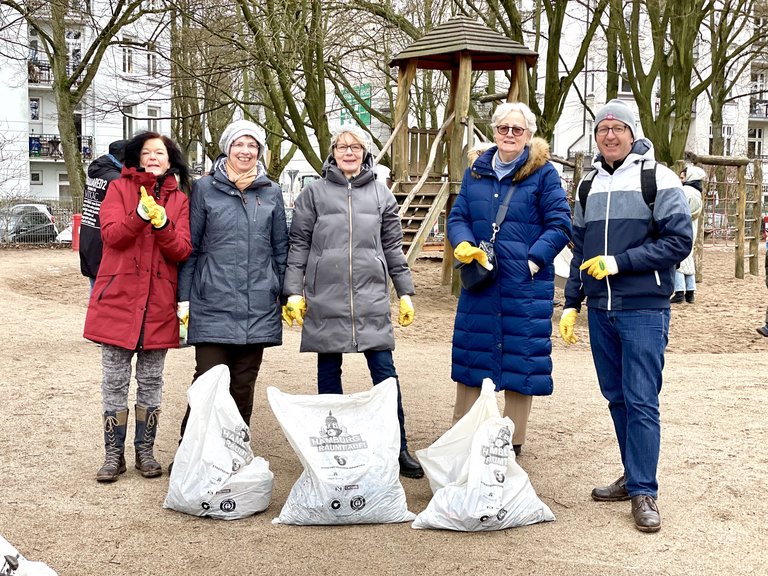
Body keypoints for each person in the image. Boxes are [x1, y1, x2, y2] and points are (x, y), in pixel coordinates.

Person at [559, 99, 692, 533]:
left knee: (641, 400)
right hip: (601, 310)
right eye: (603, 129)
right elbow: (580, 248)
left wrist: (619, 262)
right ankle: (633, 475)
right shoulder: (588, 185)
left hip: (643, 308)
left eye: (618, 128)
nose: (610, 135)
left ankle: (644, 491)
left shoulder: (658, 178)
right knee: (617, 397)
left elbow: (678, 243)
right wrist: (572, 303)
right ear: (596, 136)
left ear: (633, 133)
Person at [281, 123, 423, 479]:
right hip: (325, 296)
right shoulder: (313, 193)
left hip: (370, 296)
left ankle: (398, 446)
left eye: (355, 147)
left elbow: (393, 247)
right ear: (333, 152)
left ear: (365, 153)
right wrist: (293, 291)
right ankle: (333, 448)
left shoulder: (381, 194)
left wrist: (405, 292)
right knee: (329, 372)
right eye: (342, 146)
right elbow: (298, 245)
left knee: (385, 375)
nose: (348, 152)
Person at [447, 102, 572, 457]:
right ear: (494, 131)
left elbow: (560, 224)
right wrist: (464, 244)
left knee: (521, 362)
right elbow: (458, 217)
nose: (510, 135)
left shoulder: (544, 174)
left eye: (518, 129)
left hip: (524, 285)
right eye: (503, 128)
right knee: (472, 357)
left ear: (529, 134)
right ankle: (463, 434)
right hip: (482, 280)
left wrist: (533, 260)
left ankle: (511, 443)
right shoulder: (475, 172)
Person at [83, 131, 192, 483]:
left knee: (151, 381)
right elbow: (112, 235)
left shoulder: (180, 199)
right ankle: (113, 455)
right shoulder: (118, 189)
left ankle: (145, 452)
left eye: (160, 152)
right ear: (137, 158)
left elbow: (181, 249)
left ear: (170, 160)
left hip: (158, 303)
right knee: (114, 381)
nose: (153, 157)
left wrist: (163, 224)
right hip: (119, 300)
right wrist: (140, 215)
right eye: (147, 152)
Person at [176, 120, 288, 441]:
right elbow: (192, 247)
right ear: (227, 148)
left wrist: (287, 294)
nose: (245, 151)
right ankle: (190, 452)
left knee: (242, 384)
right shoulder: (204, 189)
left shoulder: (271, 192)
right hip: (212, 301)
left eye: (252, 145)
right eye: (239, 144)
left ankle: (234, 453)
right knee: (207, 382)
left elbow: (281, 249)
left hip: (258, 305)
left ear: (260, 151)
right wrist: (183, 299)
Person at [79, 139, 127, 291]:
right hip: (105, 241)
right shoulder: (116, 179)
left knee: (95, 290)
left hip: (89, 237)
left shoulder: (95, 173)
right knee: (105, 295)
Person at [670, 165, 704, 304]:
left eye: (682, 177)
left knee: (677, 258)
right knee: (688, 257)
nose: (680, 179)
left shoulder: (684, 191)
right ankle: (690, 291)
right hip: (692, 227)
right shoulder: (697, 193)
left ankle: (679, 291)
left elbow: (677, 208)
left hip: (681, 226)